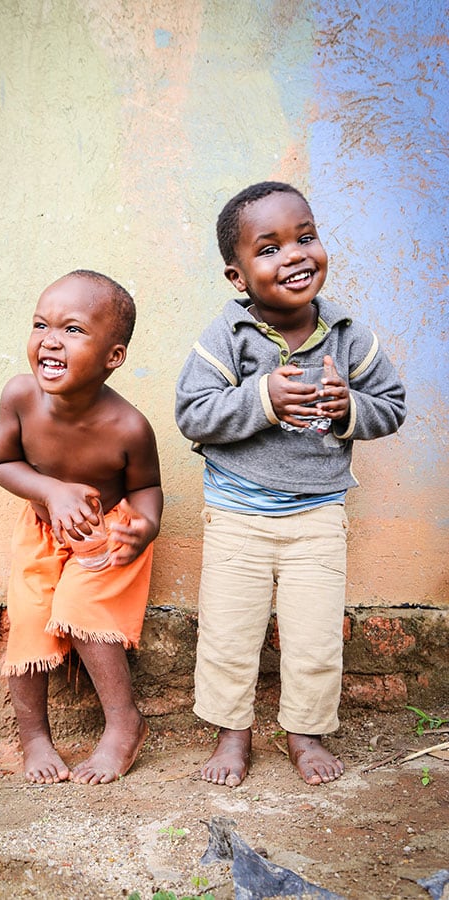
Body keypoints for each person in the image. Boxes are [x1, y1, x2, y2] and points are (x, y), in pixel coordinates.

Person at [175, 182, 406, 786]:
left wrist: (347, 406)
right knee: (229, 636)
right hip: (236, 516)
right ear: (238, 276)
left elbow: (392, 406)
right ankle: (233, 736)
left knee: (314, 640)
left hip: (317, 518)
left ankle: (304, 735)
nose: (296, 255)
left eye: (305, 238)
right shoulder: (227, 337)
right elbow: (192, 413)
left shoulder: (350, 335)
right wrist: (262, 397)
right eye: (270, 248)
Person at [0, 269, 163, 785]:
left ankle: (124, 725)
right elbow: (1, 463)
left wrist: (146, 527)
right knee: (30, 616)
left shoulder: (128, 426)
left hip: (105, 533)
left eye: (73, 330)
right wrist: (49, 491)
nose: (50, 340)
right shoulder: (20, 397)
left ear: (113, 357)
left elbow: (147, 487)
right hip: (43, 528)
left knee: (82, 606)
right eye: (41, 324)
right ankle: (34, 738)